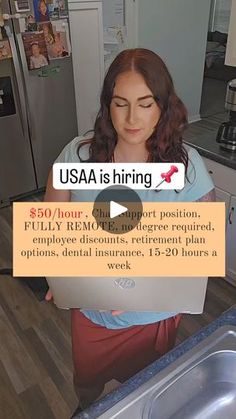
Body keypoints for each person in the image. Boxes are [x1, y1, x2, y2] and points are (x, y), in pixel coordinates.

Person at [44, 48, 215, 410]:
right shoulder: (78, 155)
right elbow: (51, 228)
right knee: (87, 384)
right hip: (92, 313)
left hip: (150, 318)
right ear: (108, 106)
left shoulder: (187, 168)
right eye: (121, 103)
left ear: (163, 106)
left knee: (143, 392)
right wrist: (59, 274)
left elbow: (202, 251)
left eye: (145, 103)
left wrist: (143, 286)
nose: (133, 118)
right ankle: (88, 409)